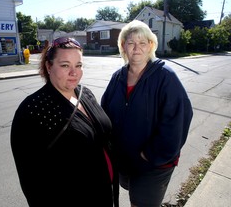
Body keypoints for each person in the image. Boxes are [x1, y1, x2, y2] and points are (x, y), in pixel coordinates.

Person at [11, 37, 119, 207]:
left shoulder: (85, 93)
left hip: (105, 195)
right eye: (65, 65)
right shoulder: (32, 110)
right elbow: (31, 181)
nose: (74, 73)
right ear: (48, 66)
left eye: (78, 65)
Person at [101, 20, 193, 207]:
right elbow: (104, 113)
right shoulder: (117, 77)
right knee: (131, 193)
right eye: (131, 42)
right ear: (123, 46)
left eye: (142, 43)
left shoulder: (165, 76)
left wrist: (149, 154)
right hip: (125, 160)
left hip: (154, 163)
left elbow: (179, 119)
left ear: (151, 45)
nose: (137, 48)